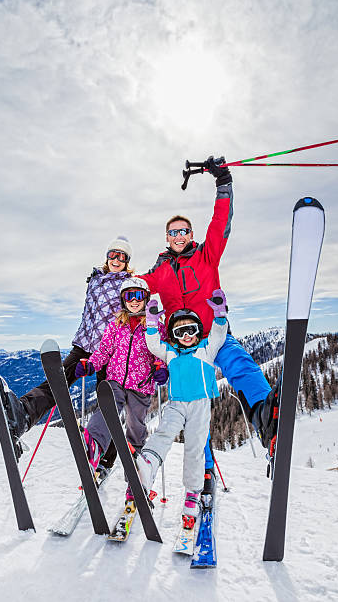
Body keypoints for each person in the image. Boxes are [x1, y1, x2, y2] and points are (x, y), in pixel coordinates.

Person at [139, 156, 279, 485]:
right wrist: (113, 278)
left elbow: (221, 223)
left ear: (190, 234)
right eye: (173, 232)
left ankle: (267, 420)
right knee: (191, 405)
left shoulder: (206, 255)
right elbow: (137, 285)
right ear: (167, 238)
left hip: (213, 336)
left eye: (184, 231)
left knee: (241, 365)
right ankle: (202, 472)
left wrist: (223, 182)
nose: (179, 235)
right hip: (184, 347)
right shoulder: (159, 272)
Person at [0, 235, 134, 468]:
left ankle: (106, 457)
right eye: (113, 254)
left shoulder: (129, 284)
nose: (116, 259)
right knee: (56, 382)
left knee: (107, 404)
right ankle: (25, 413)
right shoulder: (95, 280)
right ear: (107, 257)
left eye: (122, 256)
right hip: (83, 344)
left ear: (127, 261)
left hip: (110, 349)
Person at [136, 291, 228, 524]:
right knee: (165, 431)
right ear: (174, 336)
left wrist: (219, 314)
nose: (186, 335)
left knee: (195, 448)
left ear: (198, 332)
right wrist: (153, 322)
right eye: (180, 332)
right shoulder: (170, 352)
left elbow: (218, 334)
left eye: (191, 330)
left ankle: (192, 493)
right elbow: (153, 343)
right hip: (176, 404)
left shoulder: (206, 350)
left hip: (200, 405)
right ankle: (149, 462)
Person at [74, 277, 168, 501]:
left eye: (138, 296)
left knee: (136, 428)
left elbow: (161, 353)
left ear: (145, 299)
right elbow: (104, 351)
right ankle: (95, 445)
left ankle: (135, 479)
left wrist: (161, 369)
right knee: (107, 411)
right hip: (115, 380)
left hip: (141, 385)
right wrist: (91, 364)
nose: (134, 301)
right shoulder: (116, 325)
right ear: (123, 300)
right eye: (129, 296)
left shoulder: (155, 325)